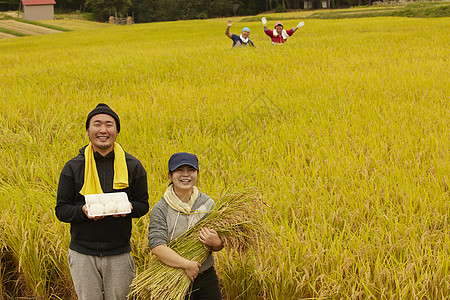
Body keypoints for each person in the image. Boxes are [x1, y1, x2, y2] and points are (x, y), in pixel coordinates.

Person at [55, 103, 149, 300]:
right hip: (82, 254)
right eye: (97, 124)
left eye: (109, 124)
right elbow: (61, 210)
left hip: (120, 253)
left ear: (117, 130)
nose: (103, 130)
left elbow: (143, 204)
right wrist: (83, 211)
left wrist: (129, 209)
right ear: (88, 130)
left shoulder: (132, 165)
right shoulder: (74, 167)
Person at [148, 152, 223, 299]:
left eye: (191, 170)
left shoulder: (207, 203)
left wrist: (217, 243)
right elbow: (157, 246)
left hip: (206, 275)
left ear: (197, 174)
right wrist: (186, 265)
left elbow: (218, 244)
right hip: (171, 276)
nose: (186, 175)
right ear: (170, 176)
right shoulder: (161, 208)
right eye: (179, 170)